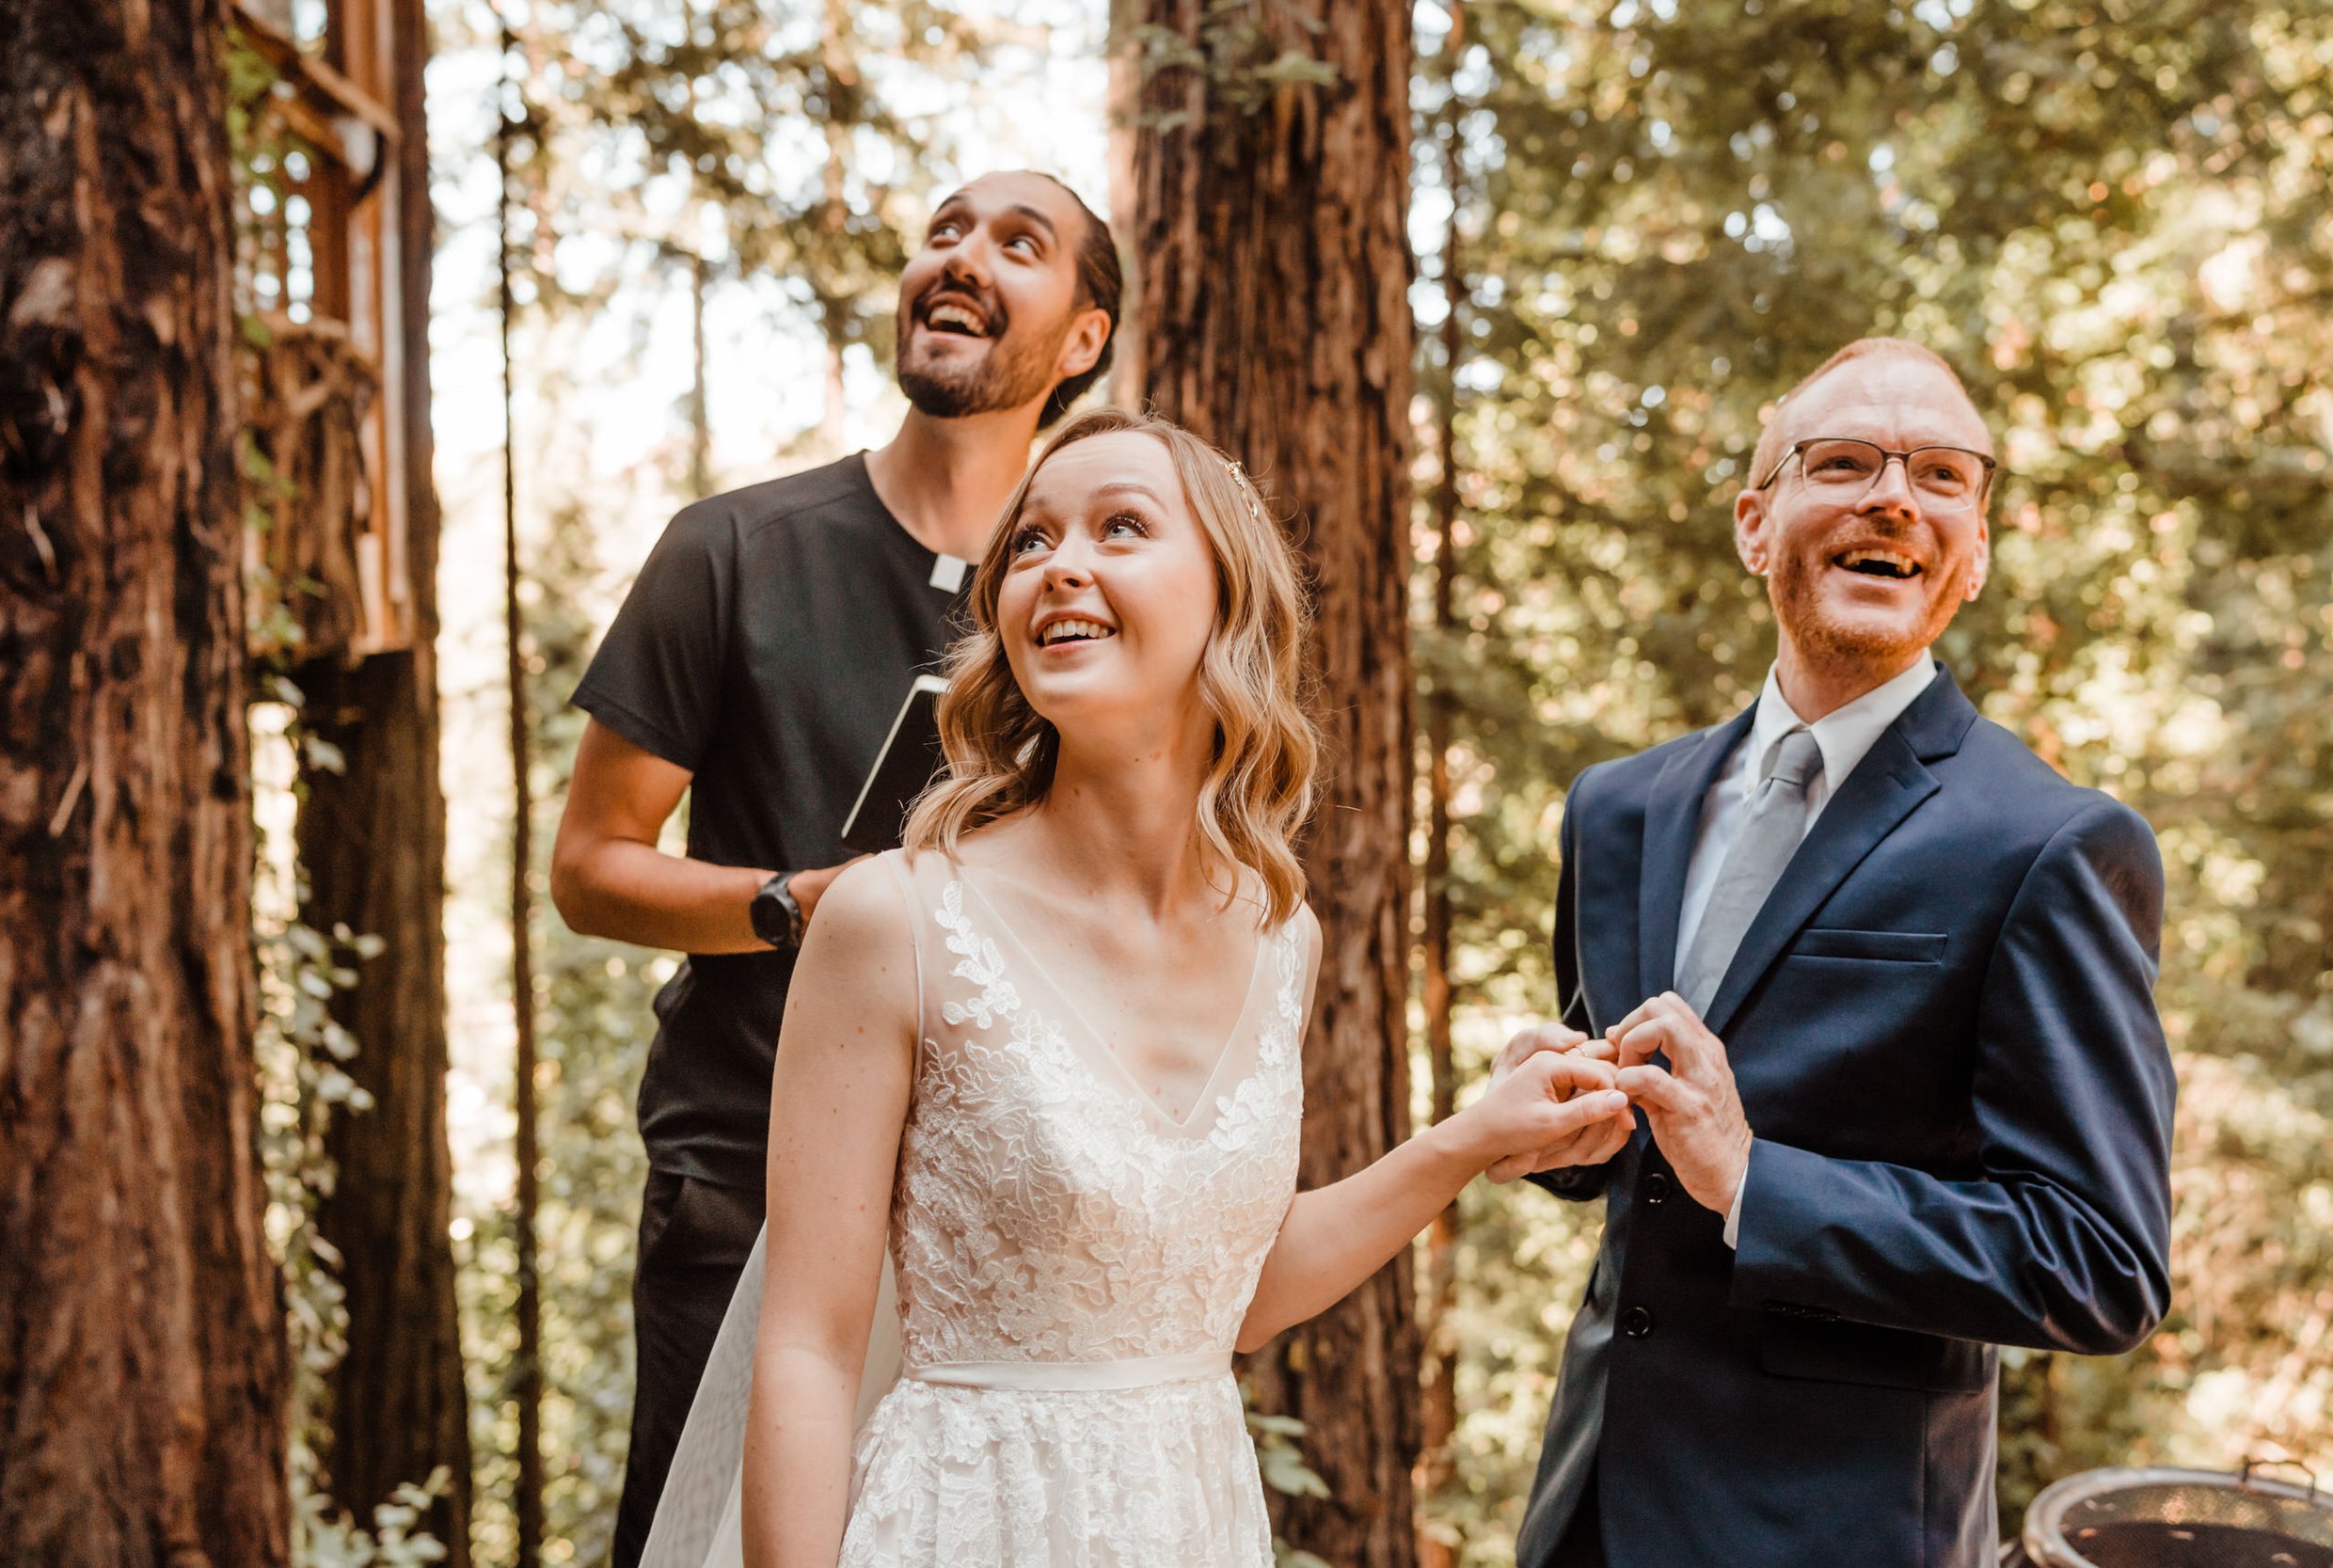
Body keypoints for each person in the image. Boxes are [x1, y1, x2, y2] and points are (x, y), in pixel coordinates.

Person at [632, 408, 1638, 1568]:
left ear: (1226, 596)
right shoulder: (893, 918)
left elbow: (1228, 1297)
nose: (1061, 563)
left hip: (1193, 1519)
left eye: (1120, 527)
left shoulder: (1279, 933)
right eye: (1030, 543)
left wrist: (1465, 1140)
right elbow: (807, 1347)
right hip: (964, 1525)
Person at [1492, 338, 2178, 1568]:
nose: (1894, 496)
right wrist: (1554, 1130)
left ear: (1971, 553)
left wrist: (1759, 1176)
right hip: (1589, 1508)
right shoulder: (1616, 807)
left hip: (1839, 1530)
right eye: (1846, 460)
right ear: (1758, 524)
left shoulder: (2051, 841)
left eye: (1942, 476)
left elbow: (2099, 1258)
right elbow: (1630, 1170)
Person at [550, 169, 1122, 1568]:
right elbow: (589, 867)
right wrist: (789, 905)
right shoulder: (729, 551)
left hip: (1004, 1199)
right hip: (744, 1174)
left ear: (1087, 338)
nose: (961, 258)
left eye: (1017, 243)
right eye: (942, 233)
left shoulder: (1097, 596)